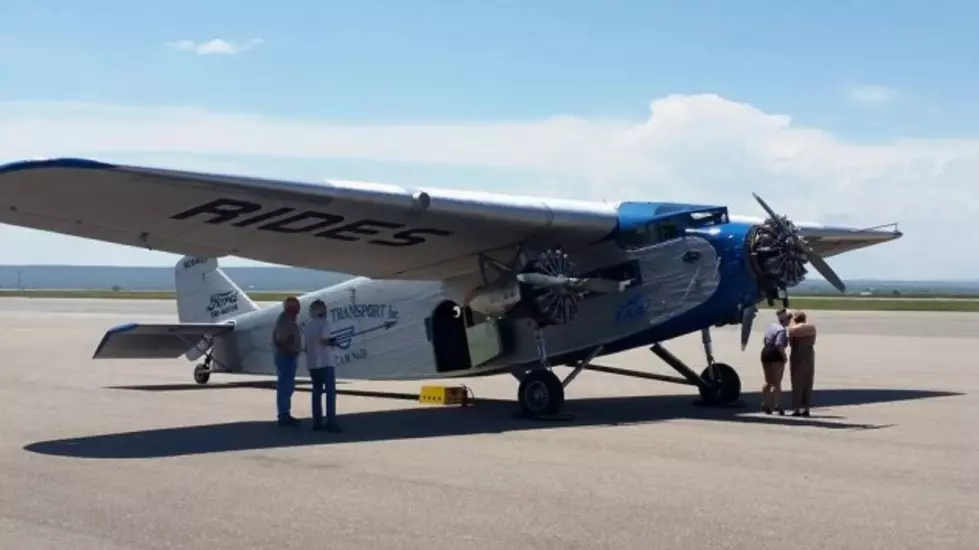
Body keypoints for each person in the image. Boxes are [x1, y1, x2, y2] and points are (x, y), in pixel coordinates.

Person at [304, 299, 342, 432]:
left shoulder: (308, 325)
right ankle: (331, 422)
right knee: (330, 394)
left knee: (316, 393)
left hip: (312, 363)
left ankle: (317, 421)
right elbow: (323, 340)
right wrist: (333, 342)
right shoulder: (324, 324)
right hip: (325, 363)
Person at [272, 296, 302, 426]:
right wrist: (289, 350)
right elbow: (280, 340)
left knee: (287, 386)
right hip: (286, 357)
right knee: (285, 386)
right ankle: (284, 415)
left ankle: (285, 413)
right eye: (297, 307)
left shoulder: (287, 319)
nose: (299, 310)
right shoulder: (286, 321)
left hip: (287, 356)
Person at [759, 308, 790, 415]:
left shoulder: (771, 326)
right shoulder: (781, 330)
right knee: (776, 382)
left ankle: (764, 403)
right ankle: (776, 405)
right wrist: (784, 356)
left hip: (765, 352)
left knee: (768, 381)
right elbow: (779, 344)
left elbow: (764, 340)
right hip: (775, 354)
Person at [788, 310, 817, 417]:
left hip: (797, 355)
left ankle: (796, 409)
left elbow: (791, 343)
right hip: (809, 355)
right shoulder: (812, 328)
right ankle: (806, 408)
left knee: (796, 383)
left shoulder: (793, 329)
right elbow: (813, 341)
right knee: (808, 382)